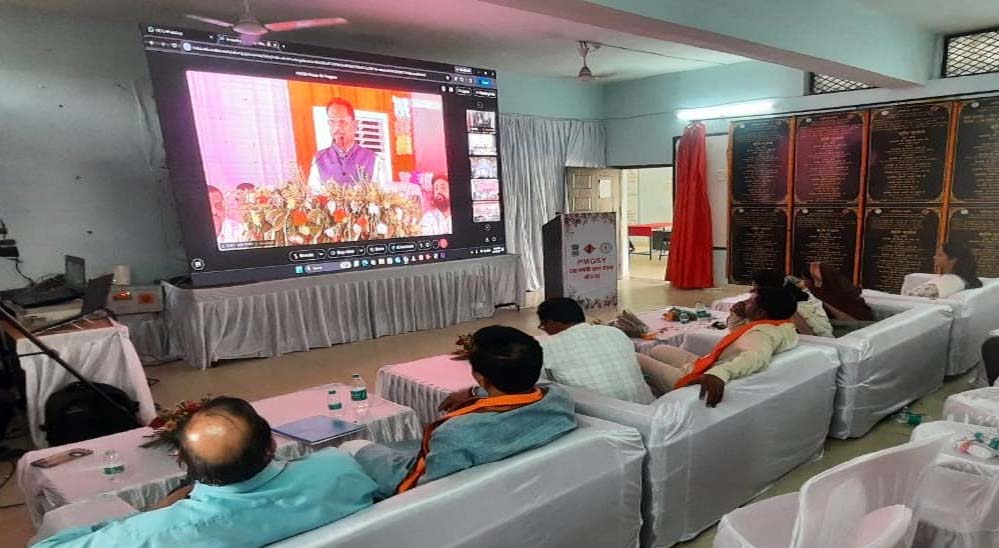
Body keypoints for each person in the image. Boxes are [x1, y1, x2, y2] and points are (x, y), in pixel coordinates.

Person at [33, 397, 376, 548]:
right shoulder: (340, 468)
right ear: (271, 446)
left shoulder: (154, 532)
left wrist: (149, 513)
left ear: (182, 462)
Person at [343, 326, 577, 500]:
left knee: (351, 447)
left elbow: (426, 488)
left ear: (480, 377)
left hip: (418, 483)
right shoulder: (559, 398)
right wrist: (475, 392)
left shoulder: (457, 433)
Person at [637, 286, 799, 407]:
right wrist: (737, 314)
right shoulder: (778, 326)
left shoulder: (762, 334)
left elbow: (756, 357)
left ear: (761, 313)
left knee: (635, 357)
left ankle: (648, 390)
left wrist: (719, 374)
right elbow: (736, 333)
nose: (744, 303)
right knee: (657, 349)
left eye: (750, 302)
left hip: (702, 374)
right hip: (706, 363)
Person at [536, 297, 655, 404]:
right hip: (648, 409)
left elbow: (537, 385)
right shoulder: (614, 332)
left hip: (602, 417)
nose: (544, 329)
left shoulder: (546, 348)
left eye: (543, 325)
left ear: (551, 322)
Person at [728, 270, 833, 338]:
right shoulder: (789, 296)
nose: (752, 289)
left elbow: (810, 336)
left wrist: (741, 315)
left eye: (755, 286)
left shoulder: (786, 308)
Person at [308, 98, 377, 192]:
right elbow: (312, 196)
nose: (337, 127)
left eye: (342, 121)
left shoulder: (374, 159)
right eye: (332, 121)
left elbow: (382, 198)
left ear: (355, 125)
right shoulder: (318, 159)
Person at [903, 241, 983, 299]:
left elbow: (908, 298)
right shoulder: (963, 279)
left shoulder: (946, 283)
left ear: (953, 260)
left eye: (940, 255)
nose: (934, 257)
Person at [802, 261, 874, 322]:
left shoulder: (821, 297)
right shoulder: (844, 288)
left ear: (815, 280)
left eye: (805, 279)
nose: (804, 282)